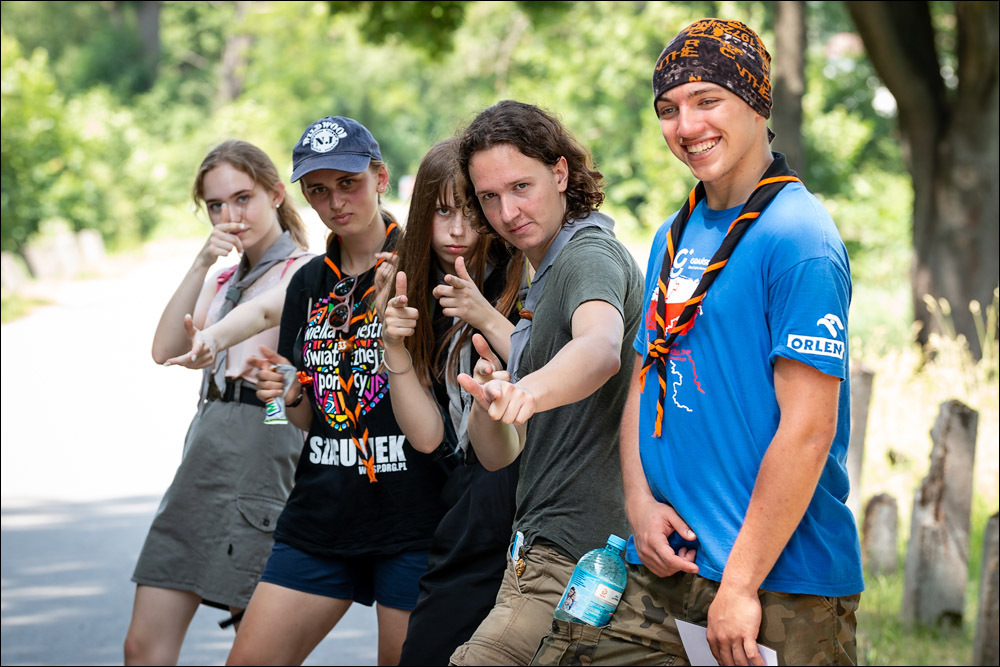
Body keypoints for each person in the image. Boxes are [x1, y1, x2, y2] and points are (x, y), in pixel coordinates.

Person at [534, 18, 863, 666]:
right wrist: (638, 505)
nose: (686, 126)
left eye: (707, 100)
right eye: (668, 109)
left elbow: (808, 429)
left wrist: (740, 585)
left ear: (757, 102)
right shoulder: (673, 234)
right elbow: (645, 377)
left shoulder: (799, 239)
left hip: (778, 583)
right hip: (666, 565)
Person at [225, 116, 446, 667]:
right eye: (318, 190)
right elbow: (305, 420)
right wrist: (286, 395)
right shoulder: (307, 282)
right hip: (320, 516)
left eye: (348, 183)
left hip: (412, 518)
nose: (335, 202)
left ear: (381, 178)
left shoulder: (422, 267)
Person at [449, 100, 644, 666]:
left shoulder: (588, 256)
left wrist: (527, 390)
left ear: (560, 173)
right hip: (540, 552)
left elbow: (600, 349)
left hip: (574, 561)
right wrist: (491, 399)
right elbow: (499, 456)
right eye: (489, 197)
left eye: (521, 187)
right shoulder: (547, 270)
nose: (507, 212)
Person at [125, 140, 312, 665]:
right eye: (215, 205)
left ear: (276, 194)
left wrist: (274, 391)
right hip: (206, 444)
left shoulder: (304, 272)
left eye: (243, 198)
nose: (230, 216)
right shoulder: (224, 277)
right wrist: (201, 261)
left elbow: (294, 370)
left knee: (253, 646)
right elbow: (165, 350)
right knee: (141, 646)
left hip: (264, 443)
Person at [374, 137, 523, 665]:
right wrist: (393, 345)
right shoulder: (413, 289)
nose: (458, 230)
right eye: (442, 213)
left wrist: (483, 313)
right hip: (463, 502)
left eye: (471, 212)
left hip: (528, 496)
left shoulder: (524, 272)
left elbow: (554, 371)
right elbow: (427, 437)